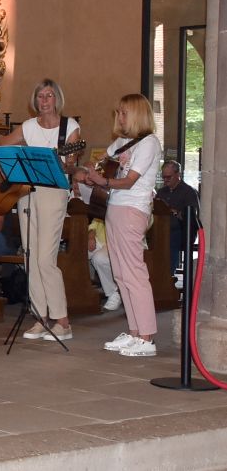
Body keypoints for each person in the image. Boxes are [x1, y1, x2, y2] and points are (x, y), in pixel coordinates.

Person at [0, 79, 80, 342]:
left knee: (45, 259)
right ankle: (40, 317)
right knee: (30, 257)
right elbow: (0, 145)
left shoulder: (70, 128)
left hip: (54, 192)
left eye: (49, 95)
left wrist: (60, 162)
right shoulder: (28, 126)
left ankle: (62, 321)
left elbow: (71, 166)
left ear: (57, 99)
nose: (44, 101)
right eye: (40, 96)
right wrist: (12, 153)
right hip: (26, 193)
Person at [86, 94, 163, 357]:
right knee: (120, 274)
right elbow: (100, 161)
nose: (119, 117)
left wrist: (102, 181)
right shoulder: (122, 142)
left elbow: (130, 181)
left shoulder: (149, 143)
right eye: (118, 112)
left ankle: (147, 337)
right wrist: (90, 169)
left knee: (134, 274)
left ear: (137, 114)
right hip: (114, 209)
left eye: (123, 112)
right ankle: (134, 333)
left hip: (133, 209)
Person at [155, 160, 200, 273]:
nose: (165, 180)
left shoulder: (189, 192)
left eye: (168, 177)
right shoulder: (161, 192)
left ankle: (168, 274)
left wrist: (174, 212)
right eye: (163, 177)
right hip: (162, 229)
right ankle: (155, 272)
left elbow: (191, 216)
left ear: (178, 174)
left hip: (181, 231)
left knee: (171, 237)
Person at [87, 217, 120, 311]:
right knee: (77, 249)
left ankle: (113, 292)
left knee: (99, 259)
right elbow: (93, 225)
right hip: (100, 240)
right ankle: (79, 292)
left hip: (118, 243)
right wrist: (90, 237)